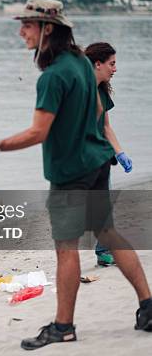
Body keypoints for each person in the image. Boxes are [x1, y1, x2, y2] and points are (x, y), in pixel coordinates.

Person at [0, 0, 152, 349]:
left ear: (48, 28)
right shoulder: (81, 62)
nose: (22, 32)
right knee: (107, 232)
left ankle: (63, 326)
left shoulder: (52, 77)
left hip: (71, 172)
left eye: (27, 25)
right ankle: (148, 305)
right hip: (96, 163)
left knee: (66, 249)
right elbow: (96, 106)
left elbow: (38, 133)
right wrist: (93, 139)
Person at [85, 42, 133, 266]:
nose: (115, 69)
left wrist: (120, 152)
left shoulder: (102, 92)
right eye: (112, 64)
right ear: (97, 64)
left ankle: (103, 250)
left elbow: (106, 127)